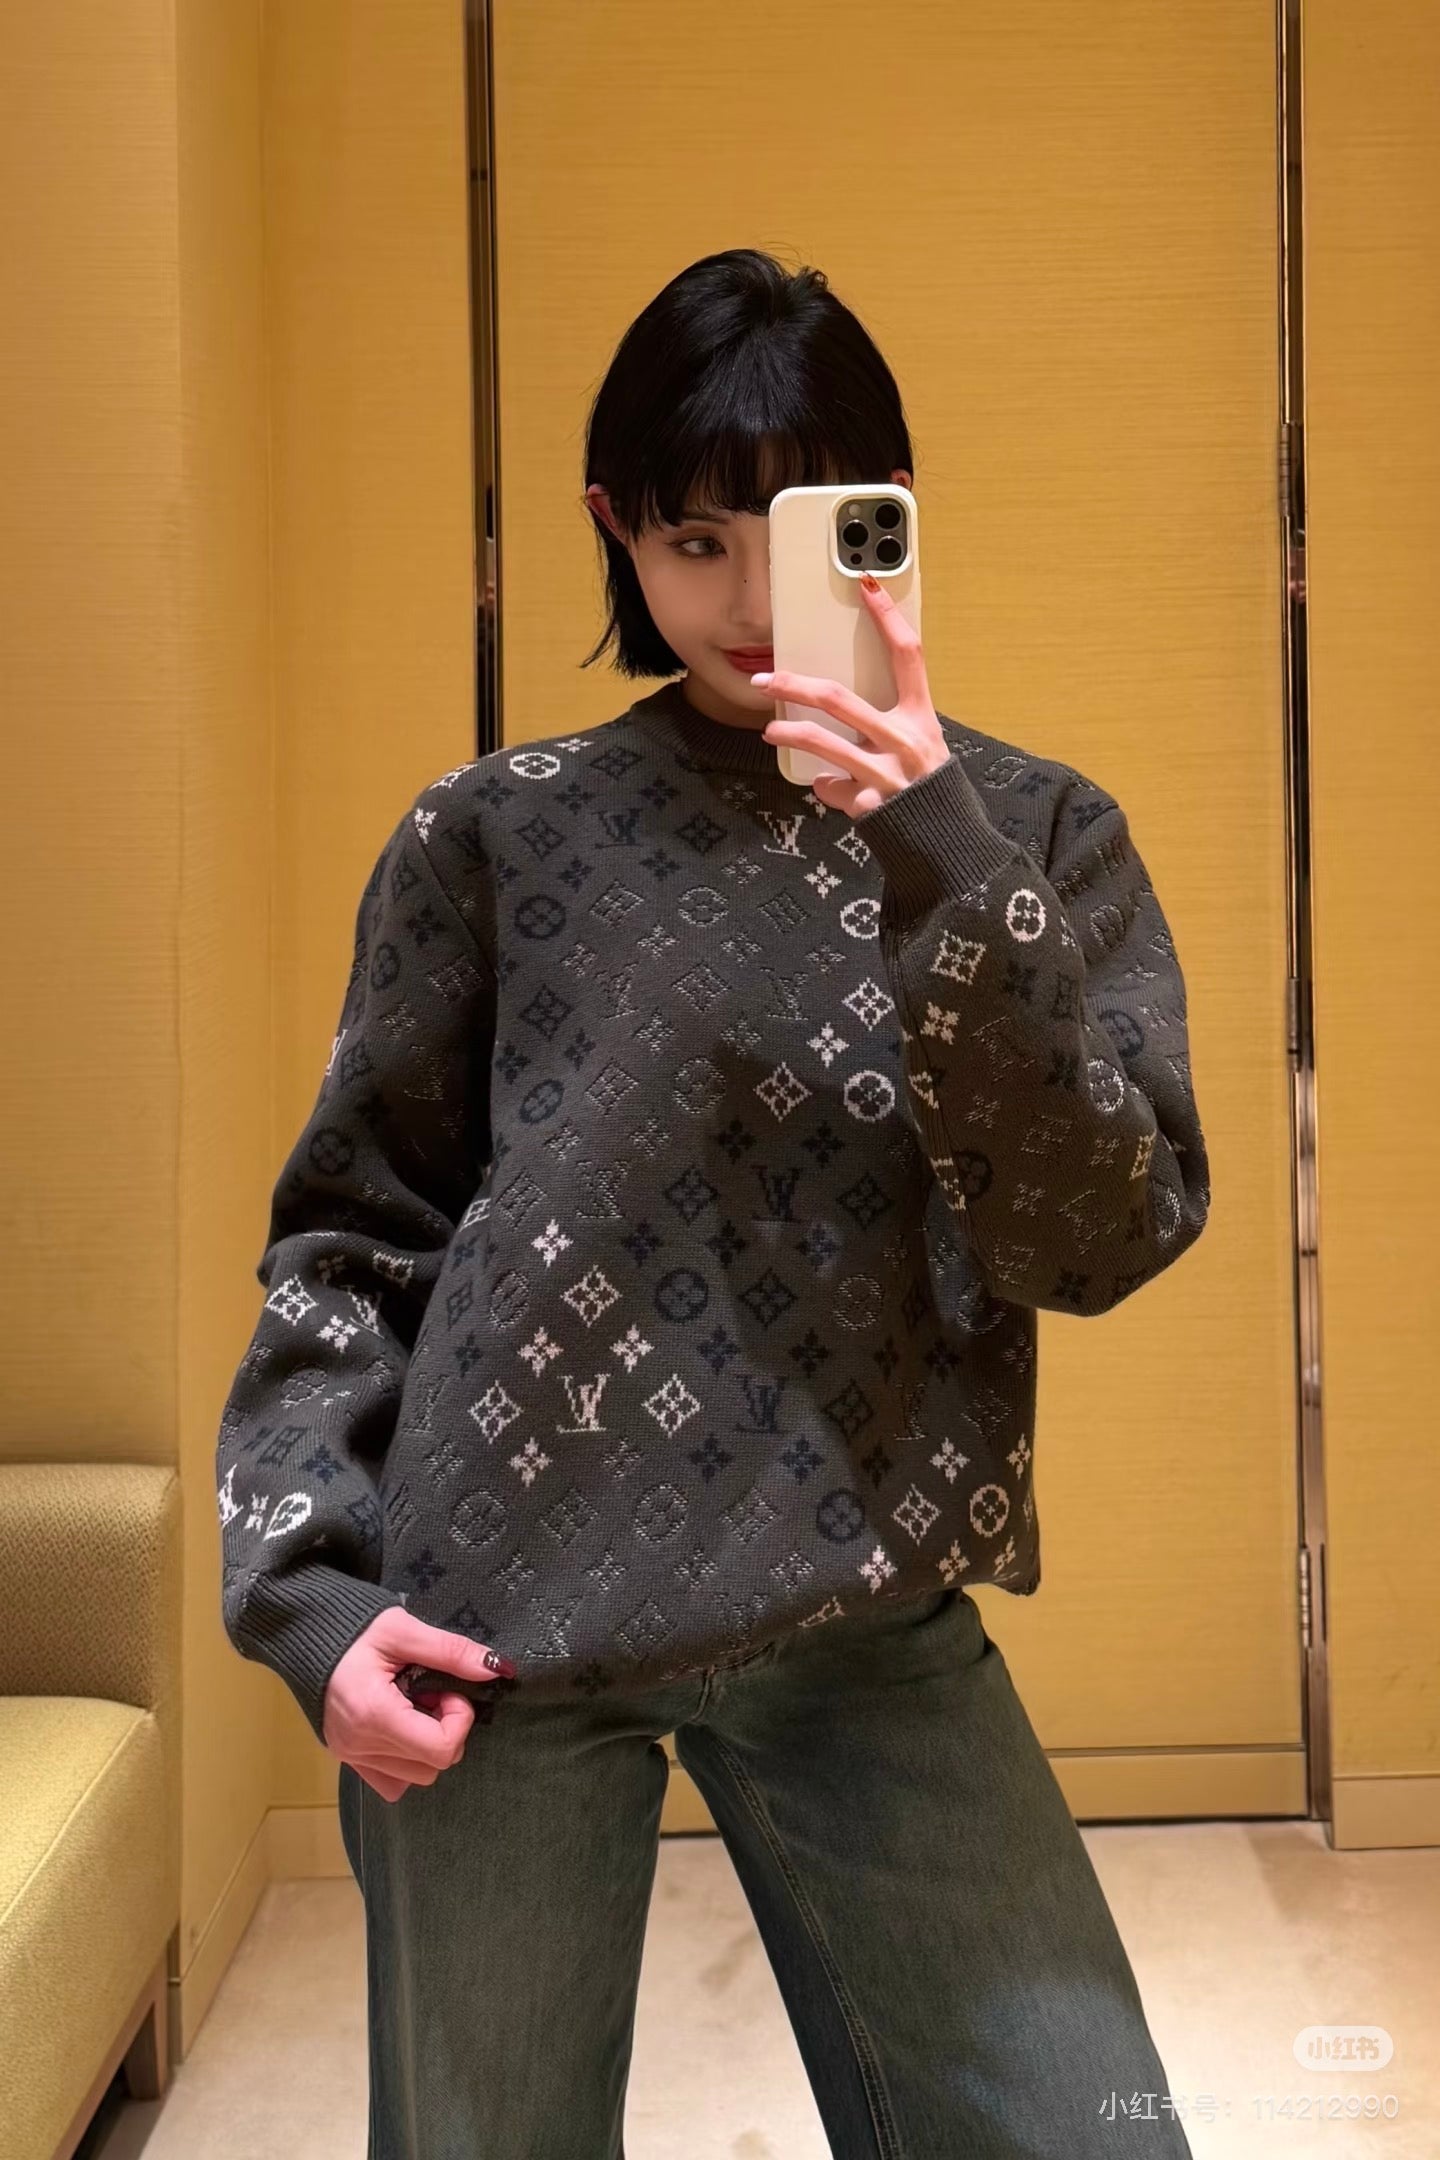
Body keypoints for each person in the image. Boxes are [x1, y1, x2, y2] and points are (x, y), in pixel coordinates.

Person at [215, 246, 1210, 2157]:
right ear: (616, 527)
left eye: (802, 534)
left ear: (892, 519)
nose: (752, 604)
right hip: (495, 1625)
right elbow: (353, 1240)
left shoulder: (1031, 833)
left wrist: (939, 856)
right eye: (695, 540)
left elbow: (1097, 1237)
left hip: (865, 1610)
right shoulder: (493, 833)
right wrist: (311, 1596)